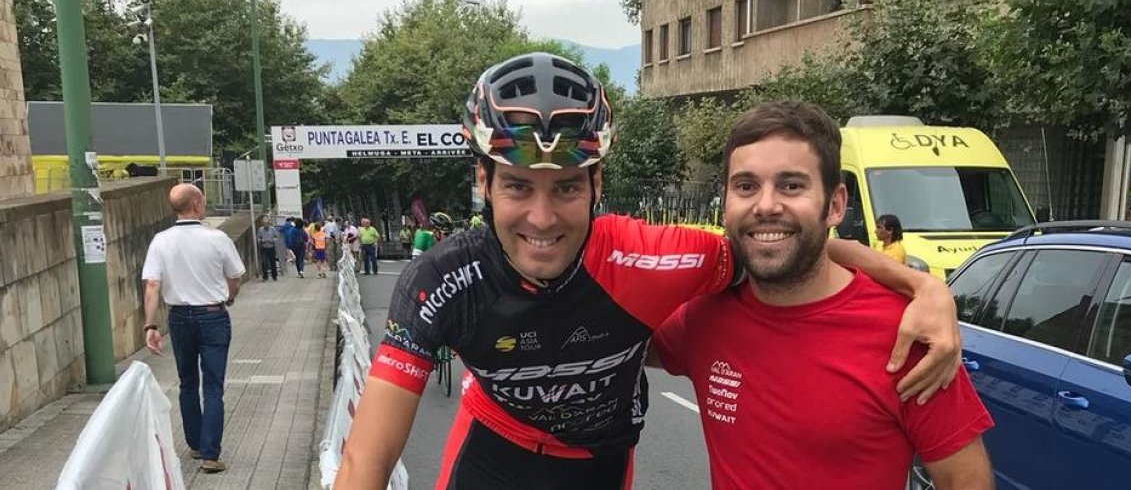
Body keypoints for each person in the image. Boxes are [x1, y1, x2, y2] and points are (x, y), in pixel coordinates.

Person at [335, 53, 960, 490]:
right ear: (483, 181)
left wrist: (921, 285)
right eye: (519, 187)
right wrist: (919, 281)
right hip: (494, 453)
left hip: (599, 464)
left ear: (597, 182)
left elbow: (778, 242)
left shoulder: (651, 256)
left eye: (568, 189)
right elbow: (367, 455)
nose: (542, 217)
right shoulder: (441, 280)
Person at [651, 102, 994, 489]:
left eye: (791, 185)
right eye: (746, 186)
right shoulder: (703, 317)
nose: (766, 205)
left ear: (835, 205)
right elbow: (612, 341)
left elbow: (967, 483)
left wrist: (927, 287)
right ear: (727, 203)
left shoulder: (907, 336)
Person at [141, 184, 245, 474]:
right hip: (213, 316)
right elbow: (235, 277)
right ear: (197, 204)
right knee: (213, 386)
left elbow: (152, 284)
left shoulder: (160, 241)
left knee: (187, 382)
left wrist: (151, 325)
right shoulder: (217, 238)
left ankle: (195, 443)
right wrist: (229, 296)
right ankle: (211, 454)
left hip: (178, 319)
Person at [256, 216, 279, 281]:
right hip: (264, 248)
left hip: (271, 247)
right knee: (264, 262)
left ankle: (274, 276)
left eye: (267, 223)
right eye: (264, 223)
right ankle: (265, 276)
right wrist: (262, 240)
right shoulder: (260, 230)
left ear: (269, 223)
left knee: (273, 262)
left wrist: (272, 240)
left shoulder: (272, 229)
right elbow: (258, 238)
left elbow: (276, 237)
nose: (265, 225)